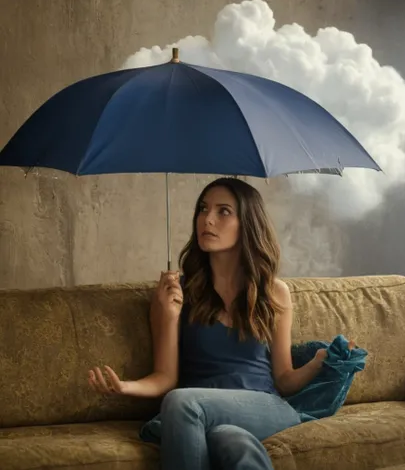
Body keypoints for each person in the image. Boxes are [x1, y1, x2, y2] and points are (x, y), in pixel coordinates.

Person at [88, 177, 332, 470]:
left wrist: (319, 362)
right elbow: (165, 377)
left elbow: (284, 379)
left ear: (247, 224)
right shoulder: (176, 295)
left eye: (223, 211)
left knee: (182, 403)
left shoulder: (273, 292)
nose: (208, 219)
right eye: (203, 209)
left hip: (263, 405)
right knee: (231, 441)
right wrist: (125, 387)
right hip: (199, 411)